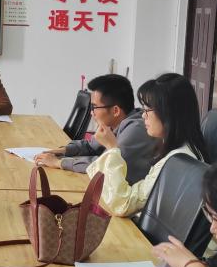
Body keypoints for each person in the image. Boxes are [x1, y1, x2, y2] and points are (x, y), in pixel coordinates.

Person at [85, 73, 207, 217]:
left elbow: (123, 205)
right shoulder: (178, 149)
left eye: (148, 110)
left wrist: (112, 148)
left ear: (168, 113)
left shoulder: (177, 161)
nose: (143, 115)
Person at [33, 74, 161, 184]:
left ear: (115, 111)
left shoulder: (136, 129)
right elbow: (91, 146)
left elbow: (102, 165)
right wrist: (62, 151)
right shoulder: (114, 124)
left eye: (94, 107)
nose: (91, 113)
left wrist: (59, 163)